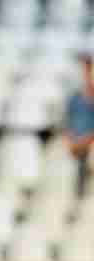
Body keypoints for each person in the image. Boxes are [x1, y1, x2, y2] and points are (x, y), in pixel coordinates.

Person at [64, 52, 94, 197]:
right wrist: (71, 140)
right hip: (76, 145)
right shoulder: (74, 97)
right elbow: (67, 121)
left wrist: (86, 140)